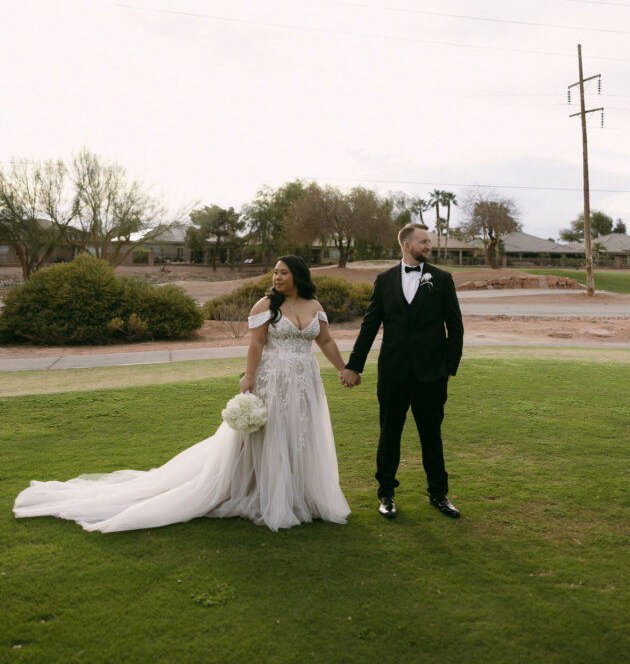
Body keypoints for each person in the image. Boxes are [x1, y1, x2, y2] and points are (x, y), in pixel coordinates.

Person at [14, 257, 352, 533]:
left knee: (301, 435)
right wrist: (248, 377)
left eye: (283, 272)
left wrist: (342, 368)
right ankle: (262, 494)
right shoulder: (265, 304)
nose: (277, 277)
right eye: (275, 272)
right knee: (270, 436)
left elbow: (325, 342)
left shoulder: (314, 305)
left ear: (298, 276)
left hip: (305, 380)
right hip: (272, 379)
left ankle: (301, 495)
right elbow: (257, 343)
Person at [340, 224, 463, 520]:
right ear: (406, 245)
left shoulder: (442, 279)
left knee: (431, 436)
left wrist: (449, 367)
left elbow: (455, 326)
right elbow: (370, 325)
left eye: (429, 242)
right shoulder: (383, 281)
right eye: (423, 242)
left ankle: (438, 494)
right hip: (393, 373)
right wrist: (354, 366)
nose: (428, 246)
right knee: (389, 435)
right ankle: (386, 494)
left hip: (431, 376)